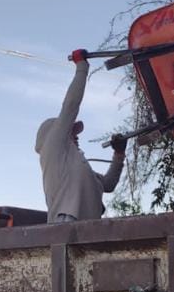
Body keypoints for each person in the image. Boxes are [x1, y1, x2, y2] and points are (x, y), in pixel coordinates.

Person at [36, 48, 126, 223]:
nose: (76, 136)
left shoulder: (80, 168)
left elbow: (108, 184)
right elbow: (70, 106)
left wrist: (119, 154)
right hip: (64, 226)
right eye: (71, 132)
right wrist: (82, 67)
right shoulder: (53, 150)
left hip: (88, 233)